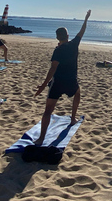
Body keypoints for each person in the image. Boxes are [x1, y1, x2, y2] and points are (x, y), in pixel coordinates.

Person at [34, 9, 92, 146]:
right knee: (77, 93)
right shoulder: (74, 44)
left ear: (57, 38)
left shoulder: (58, 50)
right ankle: (72, 119)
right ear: (67, 35)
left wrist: (43, 85)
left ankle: (41, 138)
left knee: (48, 110)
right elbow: (82, 31)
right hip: (71, 81)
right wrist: (86, 18)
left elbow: (53, 68)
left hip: (57, 82)